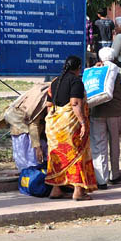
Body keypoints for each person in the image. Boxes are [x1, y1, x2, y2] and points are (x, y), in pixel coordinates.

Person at [44, 55, 97, 201]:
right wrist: (82, 123)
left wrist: (54, 123)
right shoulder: (76, 81)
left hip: (54, 125)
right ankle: (78, 191)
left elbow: (49, 106)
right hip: (70, 124)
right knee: (76, 154)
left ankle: (56, 189)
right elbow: (75, 103)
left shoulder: (54, 82)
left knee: (57, 156)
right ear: (78, 67)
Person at [89, 47, 121, 188]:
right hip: (115, 112)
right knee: (114, 144)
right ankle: (114, 175)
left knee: (99, 144)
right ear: (114, 58)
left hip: (97, 112)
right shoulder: (119, 70)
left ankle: (101, 179)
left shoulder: (95, 69)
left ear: (100, 58)